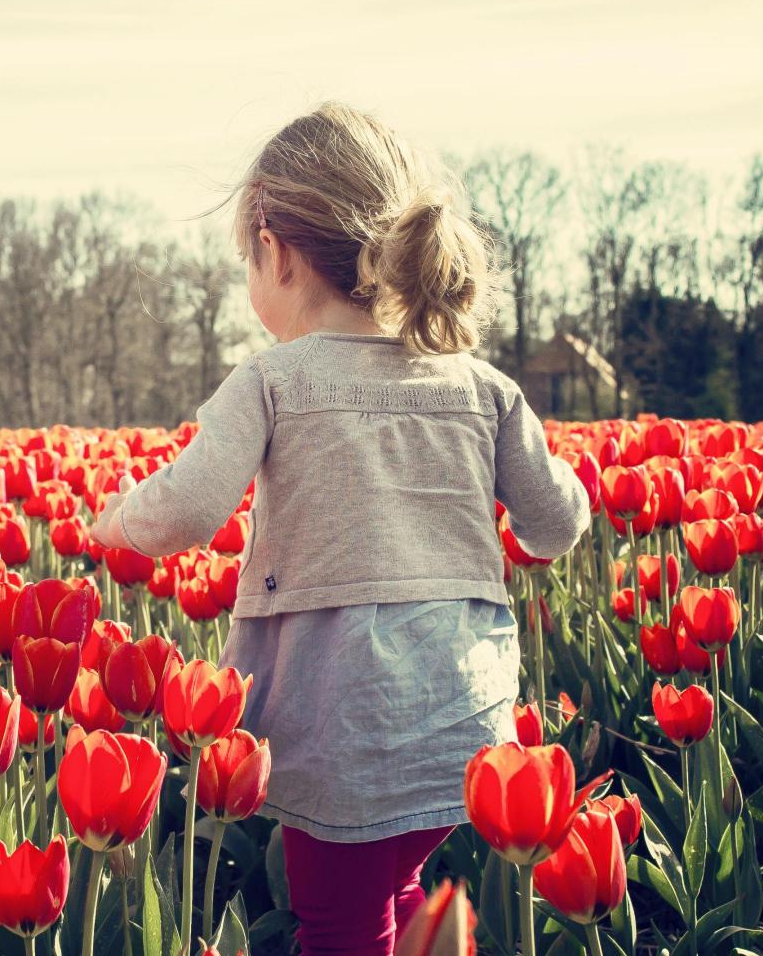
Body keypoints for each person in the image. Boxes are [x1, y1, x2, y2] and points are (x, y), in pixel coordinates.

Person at [89, 102, 588, 955]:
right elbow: (556, 525)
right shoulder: (481, 386)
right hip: (463, 718)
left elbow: (186, 511)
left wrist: (113, 519)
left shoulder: (274, 381)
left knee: (338, 920)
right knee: (393, 888)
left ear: (273, 249)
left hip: (341, 718)